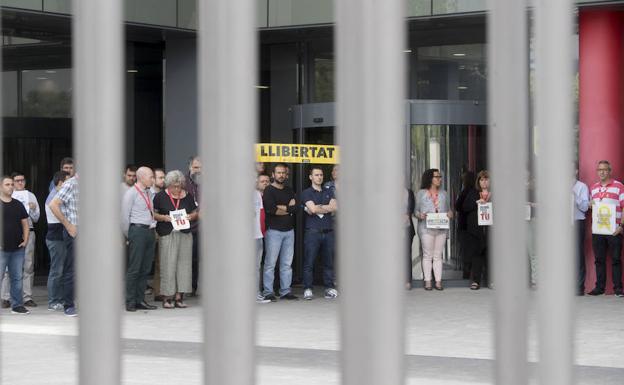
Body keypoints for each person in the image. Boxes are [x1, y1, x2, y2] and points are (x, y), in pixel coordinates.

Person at [153, 170, 198, 308]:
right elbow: (153, 214)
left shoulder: (188, 196)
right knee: (168, 265)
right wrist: (164, 218)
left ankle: (179, 296)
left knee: (184, 265)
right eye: (174, 186)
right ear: (168, 185)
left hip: (184, 234)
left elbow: (195, 212)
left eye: (179, 186)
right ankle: (167, 297)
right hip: (168, 234)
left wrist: (192, 216)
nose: (177, 189)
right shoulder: (160, 197)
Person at [1, 172, 40, 308]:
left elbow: (35, 218)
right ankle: (5, 297)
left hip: (27, 233)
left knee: (27, 267)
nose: (18, 183)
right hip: (6, 239)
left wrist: (34, 209)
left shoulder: (30, 196)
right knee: (5, 270)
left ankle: (26, 297)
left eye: (21, 181)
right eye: (14, 182)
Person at [121, 167, 158, 312]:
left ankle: (140, 299)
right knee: (134, 268)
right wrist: (129, 234)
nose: (152, 179)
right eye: (150, 176)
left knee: (145, 268)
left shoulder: (149, 192)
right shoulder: (131, 194)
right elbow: (124, 217)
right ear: (141, 177)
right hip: (137, 231)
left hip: (149, 231)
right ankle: (130, 301)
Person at [301, 167, 338, 300]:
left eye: (321, 175)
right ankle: (308, 288)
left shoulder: (330, 191)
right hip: (313, 232)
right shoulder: (306, 193)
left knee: (328, 262)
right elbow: (313, 208)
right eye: (316, 175)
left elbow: (334, 207)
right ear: (311, 177)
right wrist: (323, 208)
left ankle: (329, 288)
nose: (319, 177)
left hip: (328, 232)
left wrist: (318, 208)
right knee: (309, 262)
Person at [588, 160, 624, 296]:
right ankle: (600, 288)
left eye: (604, 169)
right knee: (599, 260)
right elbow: (592, 206)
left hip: (614, 230)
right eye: (599, 170)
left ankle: (618, 288)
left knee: (616, 259)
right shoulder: (594, 188)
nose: (602, 172)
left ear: (610, 171)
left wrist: (621, 226)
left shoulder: (619, 186)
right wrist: (590, 204)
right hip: (598, 230)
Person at [262, 163, 298, 301]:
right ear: (273, 174)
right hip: (274, 232)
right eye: (278, 172)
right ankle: (268, 292)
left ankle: (285, 292)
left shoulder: (289, 190)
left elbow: (296, 209)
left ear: (286, 175)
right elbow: (271, 209)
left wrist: (285, 209)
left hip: (289, 232)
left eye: (283, 173)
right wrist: (289, 208)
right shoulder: (269, 190)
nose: (281, 175)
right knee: (270, 263)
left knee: (286, 264)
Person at [415, 169, 452, 291]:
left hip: (441, 228)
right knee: (427, 255)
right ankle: (427, 281)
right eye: (437, 176)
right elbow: (415, 211)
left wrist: (451, 213)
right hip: (426, 228)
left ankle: (438, 281)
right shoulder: (421, 193)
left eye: (440, 177)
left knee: (438, 255)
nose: (439, 179)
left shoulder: (444, 193)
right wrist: (420, 215)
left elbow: (449, 210)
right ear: (430, 178)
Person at [49, 173, 79, 317]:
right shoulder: (70, 184)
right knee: (71, 270)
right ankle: (69, 305)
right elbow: (53, 204)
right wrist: (68, 226)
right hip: (75, 233)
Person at [45, 171, 70, 311]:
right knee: (57, 270)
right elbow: (63, 217)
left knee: (61, 269)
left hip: (60, 237)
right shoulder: (55, 197)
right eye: (68, 182)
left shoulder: (58, 195)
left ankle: (59, 299)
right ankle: (54, 301)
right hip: (56, 238)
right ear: (61, 183)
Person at [462, 170, 490, 290]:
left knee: (491, 254)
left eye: (486, 179)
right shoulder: (473, 193)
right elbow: (465, 207)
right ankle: (476, 281)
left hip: (490, 229)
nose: (484, 182)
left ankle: (491, 280)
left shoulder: (495, 193)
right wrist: (476, 203)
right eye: (482, 179)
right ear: (478, 181)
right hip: (475, 230)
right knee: (476, 255)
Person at [455, 171, 476, 279]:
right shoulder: (476, 192)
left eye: (463, 179)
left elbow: (457, 206)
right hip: (472, 226)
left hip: (465, 226)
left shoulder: (465, 192)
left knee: (466, 252)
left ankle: (466, 276)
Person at [573, 166, 590, 296]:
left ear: (576, 171)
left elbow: (585, 207)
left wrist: (574, 196)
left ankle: (579, 287)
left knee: (577, 254)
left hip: (577, 222)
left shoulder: (581, 187)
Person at [186, 156, 201, 296]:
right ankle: (189, 286)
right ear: (190, 167)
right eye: (196, 167)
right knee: (190, 259)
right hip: (189, 226)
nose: (199, 171)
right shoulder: (183, 182)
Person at [254, 174, 271, 304]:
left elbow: (261, 215)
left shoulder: (257, 195)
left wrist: (262, 232)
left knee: (255, 267)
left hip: (257, 236)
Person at [151, 168, 166, 301]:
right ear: (153, 179)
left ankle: (158, 292)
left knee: (160, 262)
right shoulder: (148, 193)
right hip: (149, 230)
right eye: (160, 178)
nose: (163, 180)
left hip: (160, 231)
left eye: (164, 177)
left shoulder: (164, 194)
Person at [405, 187, 415, 290]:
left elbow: (411, 207)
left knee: (406, 253)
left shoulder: (408, 192)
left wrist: (407, 214)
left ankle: (407, 280)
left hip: (407, 227)